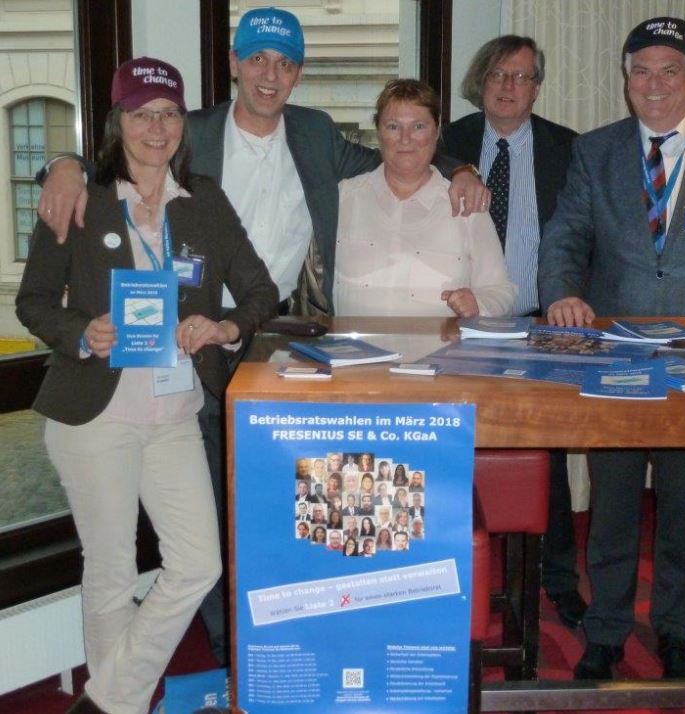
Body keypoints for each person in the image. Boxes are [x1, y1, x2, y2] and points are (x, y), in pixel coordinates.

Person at [36, 6, 488, 665]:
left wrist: (462, 168)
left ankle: (281, 632)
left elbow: (398, 150)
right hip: (184, 340)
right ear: (234, 65)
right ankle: (227, 648)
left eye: (284, 63)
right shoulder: (190, 129)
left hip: (267, 330)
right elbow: (121, 150)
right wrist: (62, 163)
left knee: (282, 488)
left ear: (298, 73)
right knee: (210, 499)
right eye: (257, 59)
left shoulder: (314, 132)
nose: (269, 75)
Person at [15, 57, 277, 714]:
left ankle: (103, 701)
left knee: (198, 564)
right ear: (118, 122)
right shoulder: (83, 199)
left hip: (174, 414)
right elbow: (34, 300)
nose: (156, 128)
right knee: (110, 571)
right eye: (141, 114)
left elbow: (260, 291)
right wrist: (82, 332)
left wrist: (223, 327)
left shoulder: (204, 202)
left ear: (182, 122)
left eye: (168, 114)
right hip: (94, 417)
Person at [538, 17, 685, 681]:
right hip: (615, 356)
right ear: (626, 78)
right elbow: (565, 236)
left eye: (670, 70)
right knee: (611, 502)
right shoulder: (596, 149)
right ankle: (607, 630)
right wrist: (562, 292)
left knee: (683, 504)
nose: (655, 83)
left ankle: (675, 629)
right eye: (641, 70)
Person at [441, 34, 586, 631]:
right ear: (482, 80)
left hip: (537, 322)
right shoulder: (447, 140)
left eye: (522, 77)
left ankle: (558, 577)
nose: (509, 86)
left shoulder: (569, 148)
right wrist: (459, 168)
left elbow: (583, 233)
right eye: (499, 74)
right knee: (451, 448)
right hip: (459, 323)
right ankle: (448, 570)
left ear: (537, 88)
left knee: (546, 456)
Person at [333, 78, 517, 318]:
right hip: (351, 343)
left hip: (440, 344)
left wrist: (479, 305)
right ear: (378, 131)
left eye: (418, 126)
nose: (405, 138)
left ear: (437, 131)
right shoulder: (343, 198)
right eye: (393, 126)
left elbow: (501, 291)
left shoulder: (466, 206)